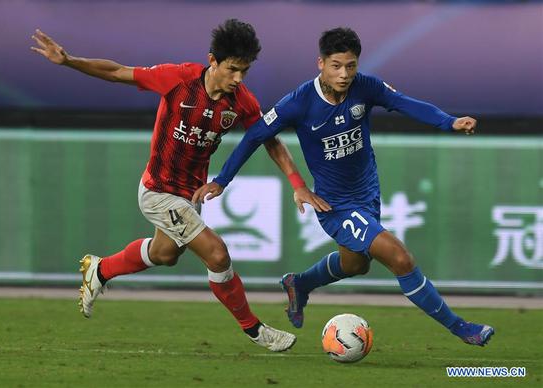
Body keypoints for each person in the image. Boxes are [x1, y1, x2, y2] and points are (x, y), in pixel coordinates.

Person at [30, 20, 328, 352]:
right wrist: (69, 60)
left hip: (190, 195)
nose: (238, 79)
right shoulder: (178, 79)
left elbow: (269, 142)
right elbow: (117, 72)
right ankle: (254, 329)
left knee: (164, 254)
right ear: (212, 60)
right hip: (158, 191)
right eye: (232, 69)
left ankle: (101, 269)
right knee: (217, 255)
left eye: (244, 71)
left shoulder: (241, 101)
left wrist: (297, 183)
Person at [193, 27, 494, 346]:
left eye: (351, 65)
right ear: (320, 63)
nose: (344, 73)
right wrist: (222, 180)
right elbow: (255, 136)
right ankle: (462, 328)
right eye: (336, 65)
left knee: (355, 264)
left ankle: (300, 283)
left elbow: (403, 102)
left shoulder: (365, 87)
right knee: (400, 258)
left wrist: (448, 121)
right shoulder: (299, 102)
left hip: (367, 193)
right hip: (335, 205)